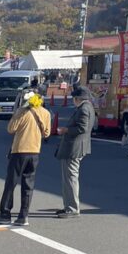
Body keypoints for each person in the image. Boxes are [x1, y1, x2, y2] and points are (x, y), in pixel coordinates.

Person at [0, 91, 50, 226]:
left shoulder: (22, 112)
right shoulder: (45, 113)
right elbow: (46, 133)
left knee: (11, 183)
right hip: (34, 151)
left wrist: (17, 113)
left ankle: (5, 214)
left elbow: (11, 129)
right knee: (28, 185)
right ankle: (23, 216)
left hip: (19, 150)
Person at [55, 86, 95, 219]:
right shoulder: (88, 107)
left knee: (70, 178)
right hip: (78, 146)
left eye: (74, 98)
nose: (73, 100)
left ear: (78, 98)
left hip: (74, 147)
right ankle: (69, 206)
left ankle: (72, 208)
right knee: (69, 178)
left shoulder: (84, 109)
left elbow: (82, 128)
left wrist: (65, 130)